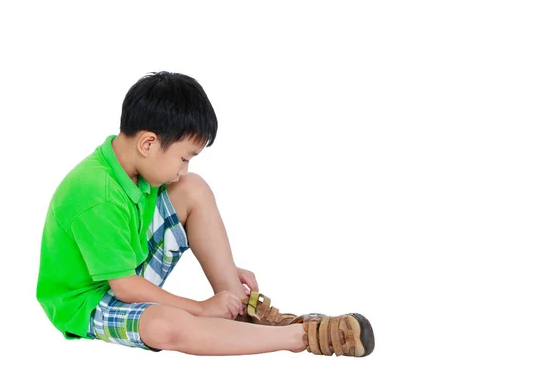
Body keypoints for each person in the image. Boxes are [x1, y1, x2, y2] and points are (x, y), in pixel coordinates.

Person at [36, 71, 375, 357]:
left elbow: (147, 231)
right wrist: (198, 307)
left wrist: (224, 264)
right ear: (148, 144)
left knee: (192, 188)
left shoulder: (139, 168)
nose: (183, 169)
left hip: (125, 267)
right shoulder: (95, 195)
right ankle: (301, 337)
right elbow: (124, 287)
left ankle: (241, 314)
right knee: (165, 326)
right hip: (91, 300)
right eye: (185, 157)